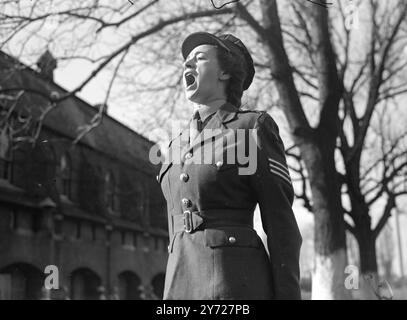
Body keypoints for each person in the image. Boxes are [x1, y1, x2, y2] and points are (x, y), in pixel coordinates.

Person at [157, 32, 302, 300]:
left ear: (224, 72)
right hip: (179, 285)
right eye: (186, 61)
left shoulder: (251, 128)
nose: (187, 65)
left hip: (235, 284)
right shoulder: (176, 145)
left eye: (199, 58)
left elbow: (282, 227)